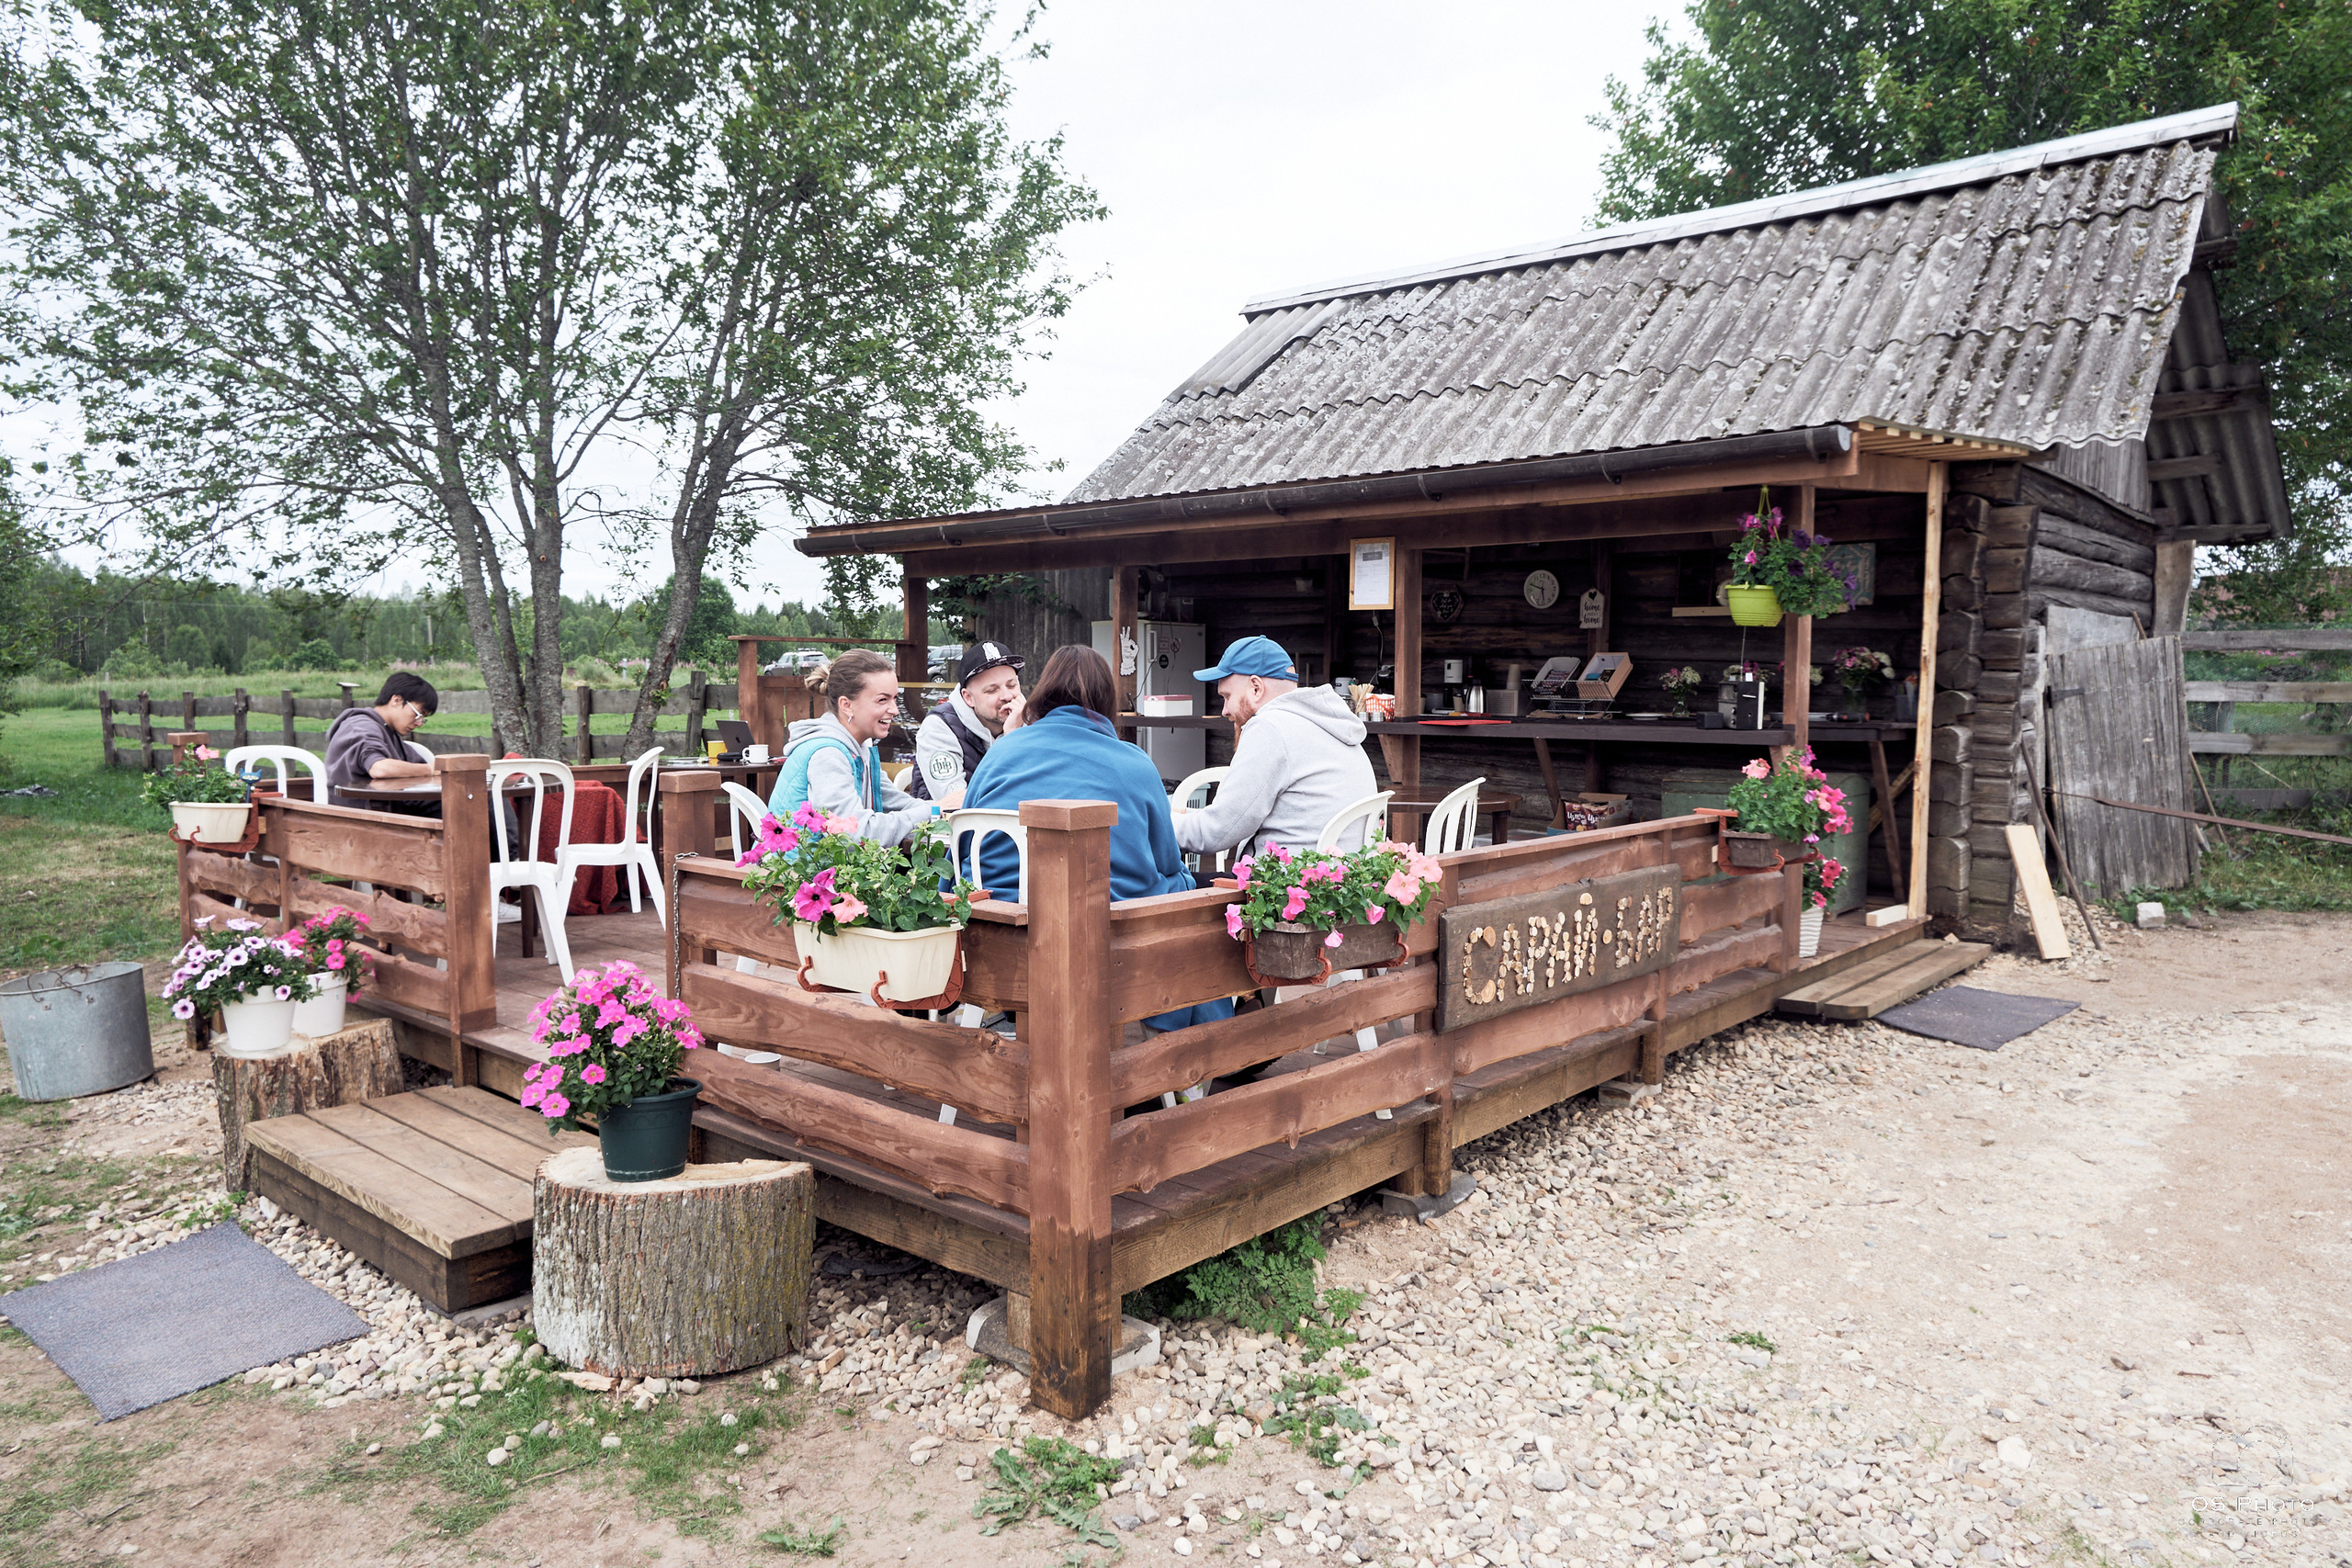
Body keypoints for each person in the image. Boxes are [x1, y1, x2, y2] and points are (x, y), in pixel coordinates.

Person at [962, 646, 1229, 1032]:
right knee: (1185, 895)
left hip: (998, 930)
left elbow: (966, 835)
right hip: (1105, 936)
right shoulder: (1134, 761)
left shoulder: (1001, 752)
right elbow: (1167, 861)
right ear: (1107, 700)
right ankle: (1184, 1053)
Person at [1172, 635, 1378, 858]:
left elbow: (1216, 832)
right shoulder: (1328, 725)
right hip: (1342, 883)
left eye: (1227, 696)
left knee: (1163, 888)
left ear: (1256, 688)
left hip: (1290, 886)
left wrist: (1155, 824)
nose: (1224, 710)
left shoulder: (1270, 727)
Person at [768, 649, 958, 845]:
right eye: (882, 700)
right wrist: (932, 810)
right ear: (846, 705)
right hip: (794, 874)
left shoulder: (859, 749)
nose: (894, 710)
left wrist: (943, 808)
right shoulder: (828, 755)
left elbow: (897, 803)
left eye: (895, 699)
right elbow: (851, 835)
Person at [910, 640, 1025, 801]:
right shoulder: (938, 728)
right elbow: (956, 803)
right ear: (968, 697)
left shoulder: (1029, 721)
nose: (1007, 696)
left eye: (1012, 685)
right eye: (992, 690)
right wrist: (1011, 739)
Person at [324, 671, 440, 799]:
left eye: (423, 718)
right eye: (419, 714)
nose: (419, 723)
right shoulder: (361, 727)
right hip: (362, 813)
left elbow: (422, 766)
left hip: (392, 806)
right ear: (396, 700)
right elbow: (379, 768)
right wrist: (429, 770)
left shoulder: (389, 733)